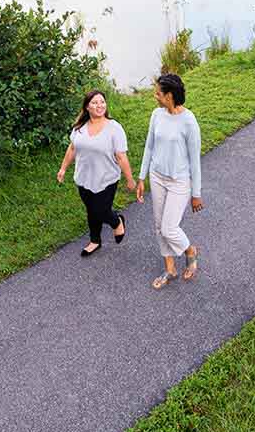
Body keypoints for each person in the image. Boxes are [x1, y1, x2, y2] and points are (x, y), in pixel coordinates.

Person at [135, 73, 203, 289]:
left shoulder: (189, 121)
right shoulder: (157, 114)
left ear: (170, 96)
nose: (155, 96)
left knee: (169, 227)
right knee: (158, 226)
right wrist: (141, 177)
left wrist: (196, 194)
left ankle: (190, 250)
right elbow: (149, 146)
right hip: (157, 177)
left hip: (179, 182)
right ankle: (170, 268)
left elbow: (195, 161)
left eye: (158, 93)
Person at [57, 90, 136, 258]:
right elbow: (72, 148)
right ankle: (95, 241)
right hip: (83, 178)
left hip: (106, 178)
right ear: (87, 107)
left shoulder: (114, 128)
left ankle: (117, 222)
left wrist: (130, 179)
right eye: (94, 102)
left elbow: (121, 156)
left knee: (101, 210)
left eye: (102, 102)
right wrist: (63, 168)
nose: (99, 105)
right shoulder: (80, 128)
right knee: (91, 210)